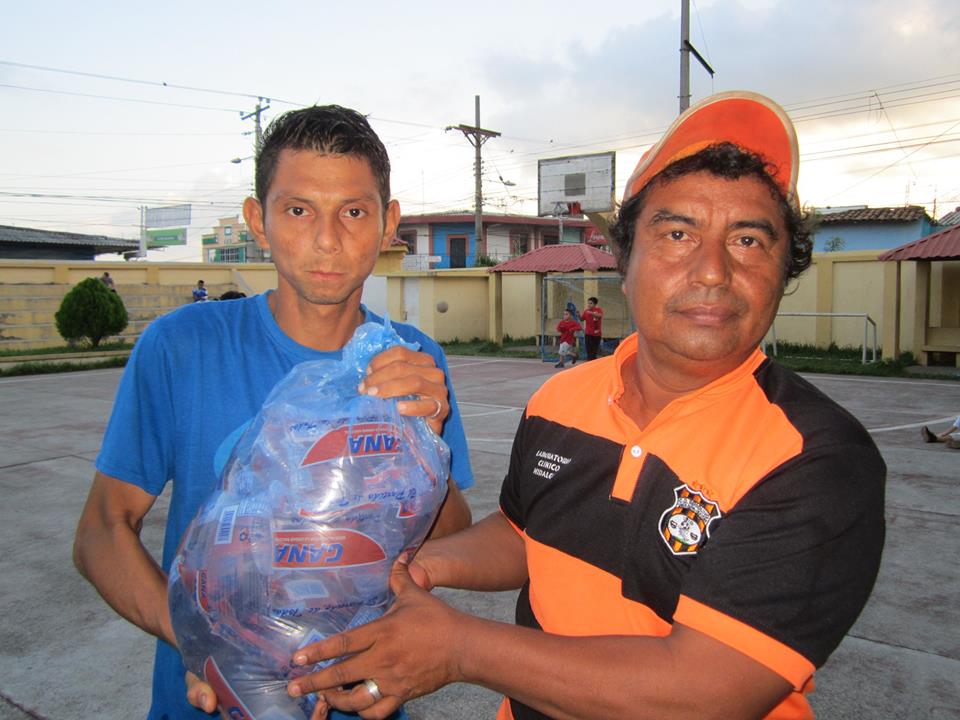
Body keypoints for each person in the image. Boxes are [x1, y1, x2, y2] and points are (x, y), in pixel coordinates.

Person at [285, 92, 886, 720]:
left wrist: (459, 648)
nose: (712, 271)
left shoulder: (817, 457)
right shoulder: (561, 396)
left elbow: (708, 689)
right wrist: (415, 568)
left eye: (748, 241)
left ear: (784, 269)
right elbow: (525, 534)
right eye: (678, 233)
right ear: (625, 262)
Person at [73, 104, 474, 720]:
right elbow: (102, 529)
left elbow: (445, 536)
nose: (327, 239)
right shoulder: (183, 346)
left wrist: (426, 433)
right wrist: (210, 647)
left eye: (354, 212)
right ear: (257, 220)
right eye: (298, 210)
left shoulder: (414, 357)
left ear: (387, 223)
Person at [579, 296, 604, 360]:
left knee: (594, 350)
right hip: (588, 334)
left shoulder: (598, 310)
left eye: (591, 303)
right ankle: (589, 362)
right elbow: (581, 319)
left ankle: (593, 362)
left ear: (595, 304)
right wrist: (578, 315)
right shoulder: (586, 311)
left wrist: (592, 313)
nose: (589, 305)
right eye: (588, 303)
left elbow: (599, 316)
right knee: (589, 350)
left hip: (596, 335)